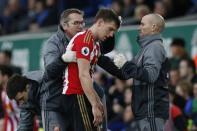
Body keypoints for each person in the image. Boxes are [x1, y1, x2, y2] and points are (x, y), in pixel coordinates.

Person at [61, 8, 121, 131]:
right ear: (100, 23)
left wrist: (96, 100)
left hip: (82, 94)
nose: (111, 35)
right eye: (110, 29)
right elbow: (83, 75)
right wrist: (94, 104)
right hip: (76, 95)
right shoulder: (85, 40)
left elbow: (89, 73)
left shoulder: (95, 43)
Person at [113, 13, 169, 130]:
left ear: (153, 27)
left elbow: (150, 76)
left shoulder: (154, 47)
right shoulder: (146, 49)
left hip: (151, 111)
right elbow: (125, 73)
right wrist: (100, 58)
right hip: (146, 111)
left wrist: (126, 65)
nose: (139, 27)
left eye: (142, 24)